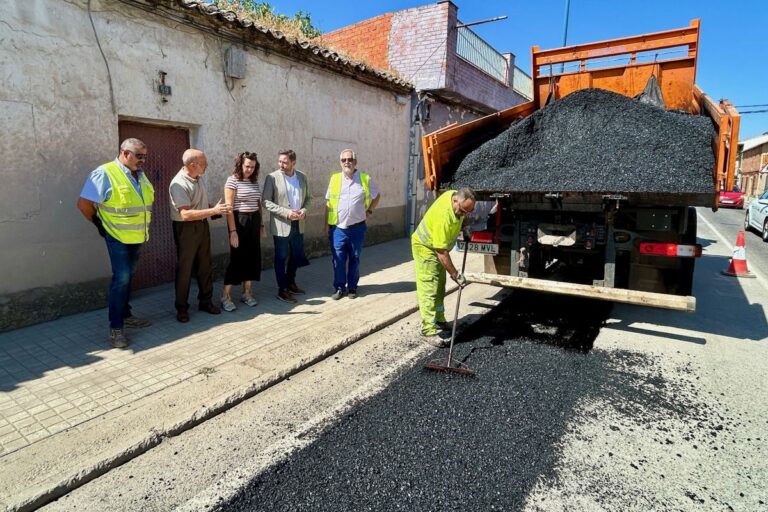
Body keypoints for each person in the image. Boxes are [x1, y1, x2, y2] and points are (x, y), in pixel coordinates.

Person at [77, 138, 155, 349]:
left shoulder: (139, 175)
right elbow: (83, 204)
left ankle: (126, 314)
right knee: (121, 278)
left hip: (137, 237)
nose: (143, 160)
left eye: (145, 156)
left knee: (128, 277)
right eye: (139, 155)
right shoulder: (104, 173)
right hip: (117, 237)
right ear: (125, 153)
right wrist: (99, 226)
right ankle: (116, 327)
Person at [169, 148, 232, 322]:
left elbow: (199, 204)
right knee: (185, 269)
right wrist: (213, 210)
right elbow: (186, 214)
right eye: (204, 163)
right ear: (193, 165)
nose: (207, 166)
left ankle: (205, 301)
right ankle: (181, 308)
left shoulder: (198, 178)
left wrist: (215, 211)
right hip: (186, 229)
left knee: (205, 265)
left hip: (202, 226)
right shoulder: (178, 183)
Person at [411, 188, 476, 347]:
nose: (464, 214)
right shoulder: (444, 216)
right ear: (455, 201)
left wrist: (465, 226)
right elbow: (441, 252)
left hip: (437, 248)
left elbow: (462, 213)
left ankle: (439, 319)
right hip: (425, 248)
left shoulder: (455, 196)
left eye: (468, 212)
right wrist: (456, 275)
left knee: (440, 285)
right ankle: (428, 330)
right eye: (462, 211)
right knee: (429, 288)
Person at [324, 149, 380, 300]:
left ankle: (353, 287)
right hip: (338, 228)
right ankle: (339, 287)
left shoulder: (365, 179)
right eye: (343, 160)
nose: (346, 162)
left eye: (349, 159)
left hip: (357, 228)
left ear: (355, 162)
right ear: (340, 163)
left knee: (355, 258)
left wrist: (369, 211)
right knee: (338, 259)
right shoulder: (335, 179)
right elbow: (328, 203)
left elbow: (377, 196)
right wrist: (326, 225)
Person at [262, 149, 311, 304]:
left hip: (299, 223)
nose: (281, 164)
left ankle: (290, 283)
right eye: (280, 161)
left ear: (293, 163)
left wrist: (304, 210)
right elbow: (266, 201)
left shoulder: (302, 177)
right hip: (282, 224)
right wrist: (286, 212)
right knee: (281, 258)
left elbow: (309, 198)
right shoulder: (272, 178)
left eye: (285, 162)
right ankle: (282, 290)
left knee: (296, 256)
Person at [221, 152, 263, 312]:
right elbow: (229, 208)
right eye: (247, 166)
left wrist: (261, 226)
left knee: (252, 257)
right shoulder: (232, 181)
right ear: (240, 165)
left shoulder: (253, 181)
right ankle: (225, 296)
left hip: (254, 222)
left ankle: (247, 293)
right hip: (239, 222)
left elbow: (257, 203)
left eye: (253, 167)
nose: (249, 169)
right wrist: (233, 231)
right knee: (237, 258)